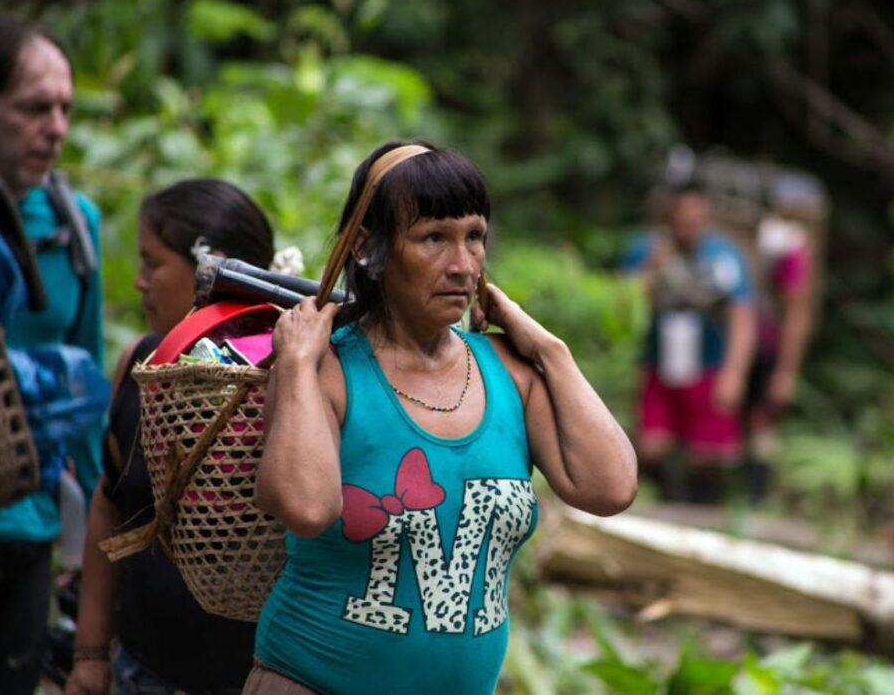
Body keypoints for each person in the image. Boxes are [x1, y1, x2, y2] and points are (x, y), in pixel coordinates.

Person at [247, 140, 637, 695]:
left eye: (474, 237)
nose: (461, 265)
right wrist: (295, 363)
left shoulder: (511, 373)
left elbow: (611, 486)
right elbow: (306, 509)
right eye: (433, 238)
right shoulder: (326, 370)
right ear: (368, 249)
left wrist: (553, 351)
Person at [64, 178, 277, 695]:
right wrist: (91, 656)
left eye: (152, 263)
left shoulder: (286, 380)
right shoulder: (141, 366)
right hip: (143, 670)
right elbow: (109, 505)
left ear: (213, 267)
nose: (139, 282)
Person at [0, 12, 105, 695]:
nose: (56, 127)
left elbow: (88, 391)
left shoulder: (75, 228)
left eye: (65, 108)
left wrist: (93, 551)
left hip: (29, 524)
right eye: (35, 107)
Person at [622, 185, 757, 502]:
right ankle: (662, 502)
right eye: (682, 221)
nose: (689, 228)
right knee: (651, 447)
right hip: (659, 362)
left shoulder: (724, 258)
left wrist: (734, 373)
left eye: (696, 221)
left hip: (708, 363)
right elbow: (623, 305)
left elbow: (743, 317)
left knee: (709, 457)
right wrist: (651, 269)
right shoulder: (646, 250)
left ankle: (704, 510)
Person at [744, 173, 820, 501]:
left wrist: (786, 371)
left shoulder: (792, 248)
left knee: (762, 418)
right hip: (747, 339)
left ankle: (754, 493)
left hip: (766, 343)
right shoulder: (768, 239)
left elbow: (797, 310)